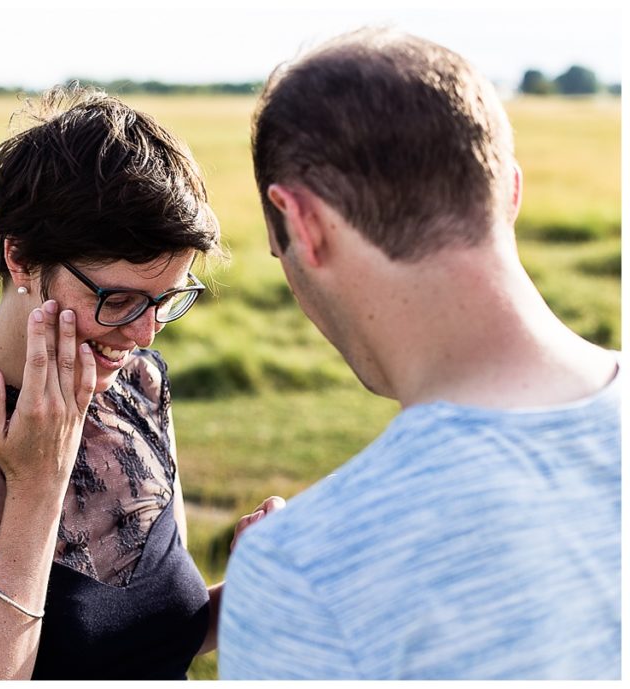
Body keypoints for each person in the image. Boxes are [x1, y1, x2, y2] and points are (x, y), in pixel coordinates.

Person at [0, 85, 278, 680]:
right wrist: (38, 488)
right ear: (20, 258)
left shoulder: (138, 385)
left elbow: (145, 637)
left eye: (168, 299)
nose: (144, 334)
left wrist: (251, 589)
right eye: (117, 299)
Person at [218, 28, 620, 680]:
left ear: (304, 224)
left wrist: (291, 569)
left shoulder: (308, 569)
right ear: (509, 192)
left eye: (279, 252)